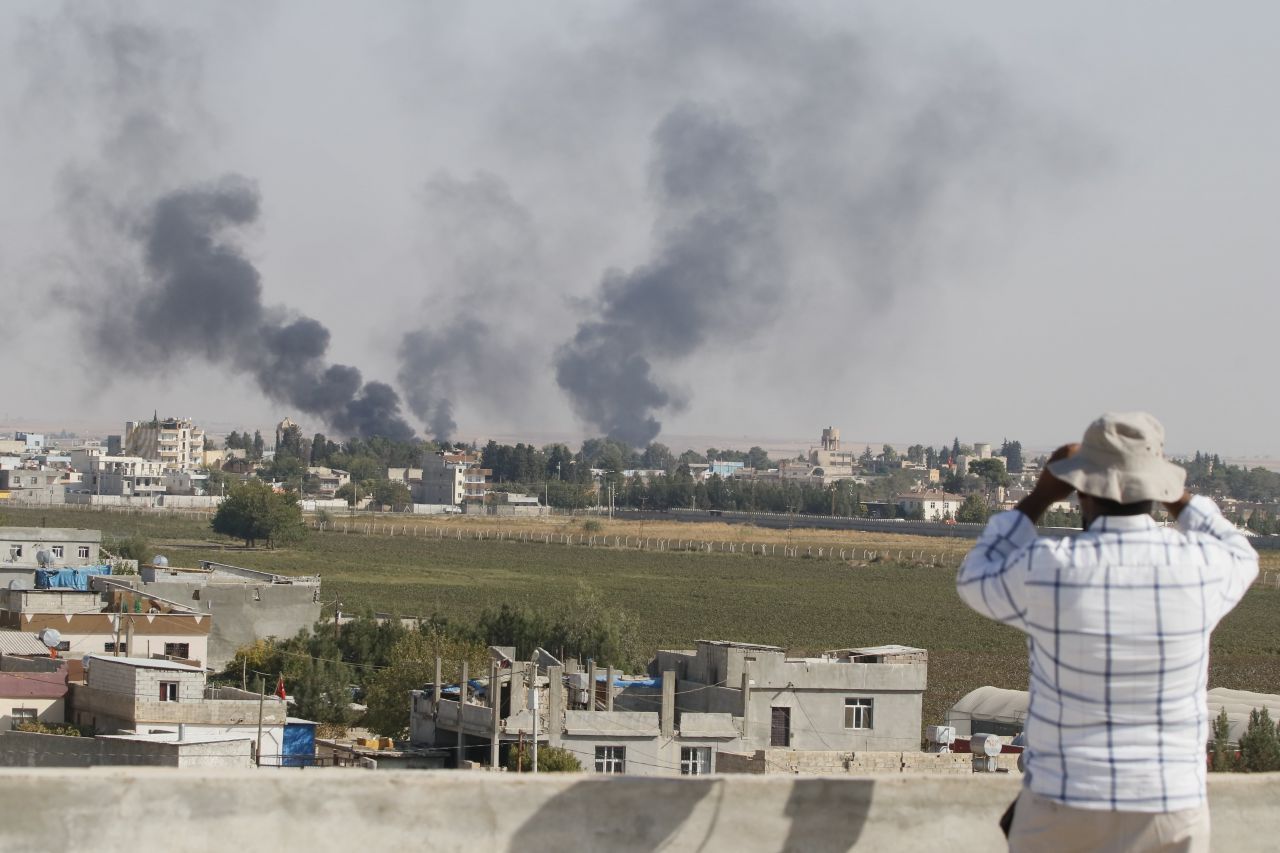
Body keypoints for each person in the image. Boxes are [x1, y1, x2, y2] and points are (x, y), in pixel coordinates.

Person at [957, 412, 1258, 852]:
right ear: (1158, 489)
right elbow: (1241, 552)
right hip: (1168, 804)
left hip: (1062, 804)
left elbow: (975, 576)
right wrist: (1177, 496)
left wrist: (1040, 495)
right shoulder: (1200, 569)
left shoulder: (1048, 568)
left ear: (1082, 491)